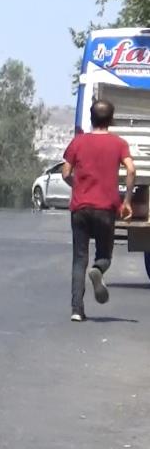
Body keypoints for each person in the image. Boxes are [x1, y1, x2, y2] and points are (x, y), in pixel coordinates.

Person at [62, 99, 136, 322]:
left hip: (80, 209)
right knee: (104, 255)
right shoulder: (118, 144)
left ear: (91, 119)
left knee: (78, 259)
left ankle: (77, 309)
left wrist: (79, 188)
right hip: (106, 208)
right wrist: (128, 201)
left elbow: (66, 172)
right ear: (111, 120)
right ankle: (98, 269)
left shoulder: (78, 142)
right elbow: (131, 169)